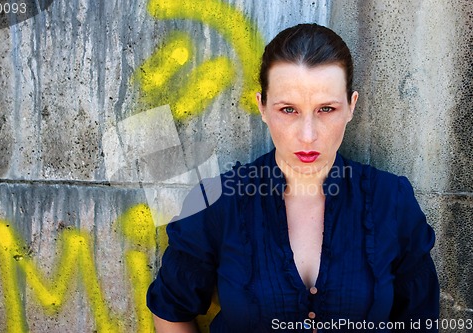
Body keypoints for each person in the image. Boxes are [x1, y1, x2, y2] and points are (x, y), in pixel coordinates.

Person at [146, 23, 439, 332]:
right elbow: (171, 309)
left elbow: (420, 320)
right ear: (262, 106)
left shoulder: (390, 200)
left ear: (351, 107)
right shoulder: (219, 202)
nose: (308, 135)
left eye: (326, 108)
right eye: (288, 110)